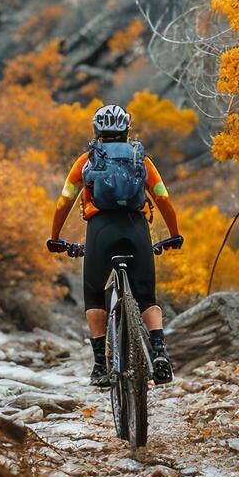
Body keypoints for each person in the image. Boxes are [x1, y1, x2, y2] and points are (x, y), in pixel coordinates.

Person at [48, 103, 183, 387]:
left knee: (95, 296)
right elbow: (163, 199)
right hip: (137, 230)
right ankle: (159, 352)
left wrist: (56, 237)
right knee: (147, 298)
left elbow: (64, 201)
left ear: (97, 131)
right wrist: (174, 233)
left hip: (101, 231)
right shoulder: (140, 160)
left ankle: (99, 366)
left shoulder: (87, 160)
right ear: (126, 130)